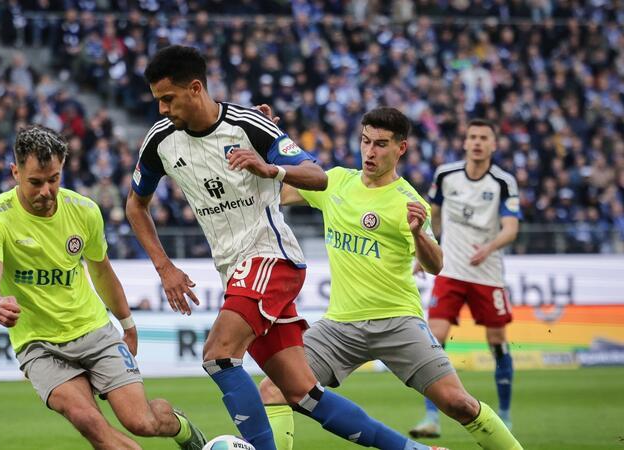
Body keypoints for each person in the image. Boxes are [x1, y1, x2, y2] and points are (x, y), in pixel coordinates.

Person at [126, 45, 445, 450]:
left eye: (167, 99)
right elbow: (135, 205)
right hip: (235, 271)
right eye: (157, 100)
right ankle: (413, 449)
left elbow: (317, 175)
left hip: (271, 258)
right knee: (301, 393)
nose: (162, 109)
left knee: (218, 354)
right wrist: (164, 267)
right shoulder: (160, 141)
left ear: (195, 88)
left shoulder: (249, 126)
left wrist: (270, 166)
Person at [255, 107, 522, 450]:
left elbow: (437, 264)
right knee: (273, 390)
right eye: (366, 141)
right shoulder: (335, 181)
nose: (370, 151)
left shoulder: (409, 202)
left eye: (381, 144)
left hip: (397, 322)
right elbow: (274, 190)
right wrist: (268, 138)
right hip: (340, 326)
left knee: (459, 403)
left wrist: (420, 235)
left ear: (401, 149)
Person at [0, 124, 206, 450]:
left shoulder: (84, 211)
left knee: (142, 422)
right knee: (88, 421)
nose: (46, 191)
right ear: (15, 172)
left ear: (62, 170)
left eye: (53, 179)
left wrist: (127, 323)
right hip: (39, 344)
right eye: (35, 182)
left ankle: (181, 428)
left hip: (95, 331)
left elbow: (102, 273)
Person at [410, 119, 521, 437]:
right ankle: (431, 418)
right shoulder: (446, 175)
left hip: (487, 275)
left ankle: (506, 416)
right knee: (434, 338)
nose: (477, 142)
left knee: (497, 341)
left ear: (493, 145)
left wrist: (489, 247)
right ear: (465, 142)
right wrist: (425, 253)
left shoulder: (503, 182)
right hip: (451, 271)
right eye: (472, 137)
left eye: (484, 138)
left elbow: (511, 229)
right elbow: (434, 218)